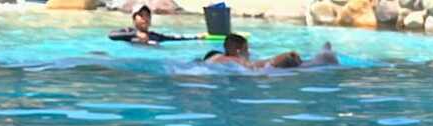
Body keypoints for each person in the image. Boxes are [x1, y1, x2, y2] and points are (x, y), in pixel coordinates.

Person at [202, 31, 330, 67]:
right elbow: (257, 65)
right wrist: (286, 55)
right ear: (238, 50)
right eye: (246, 49)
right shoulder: (231, 60)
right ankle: (323, 57)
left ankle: (321, 57)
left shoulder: (215, 59)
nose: (249, 52)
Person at [109, 5, 191, 44]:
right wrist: (136, 34)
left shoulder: (154, 36)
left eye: (148, 16)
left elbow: (174, 38)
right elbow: (111, 35)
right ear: (134, 19)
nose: (145, 18)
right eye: (141, 15)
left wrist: (198, 37)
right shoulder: (128, 31)